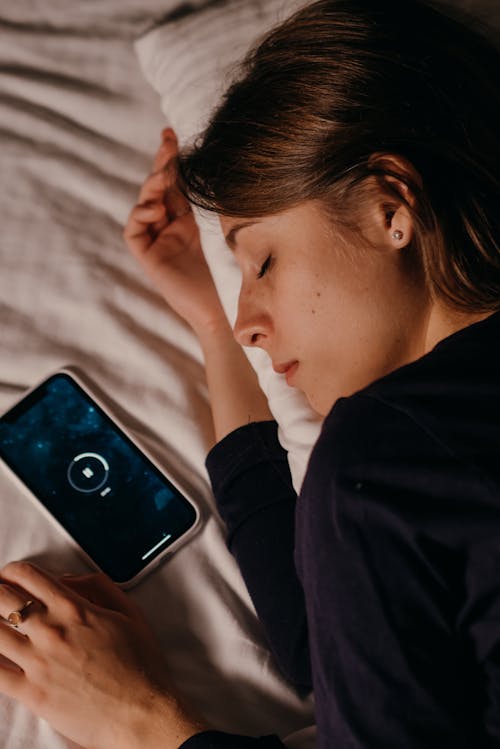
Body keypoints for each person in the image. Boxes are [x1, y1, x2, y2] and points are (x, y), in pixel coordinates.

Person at [0, 0, 499, 747]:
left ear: (388, 205)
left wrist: (139, 722)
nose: (247, 319)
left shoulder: (379, 456)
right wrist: (211, 324)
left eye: (263, 260)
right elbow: (321, 643)